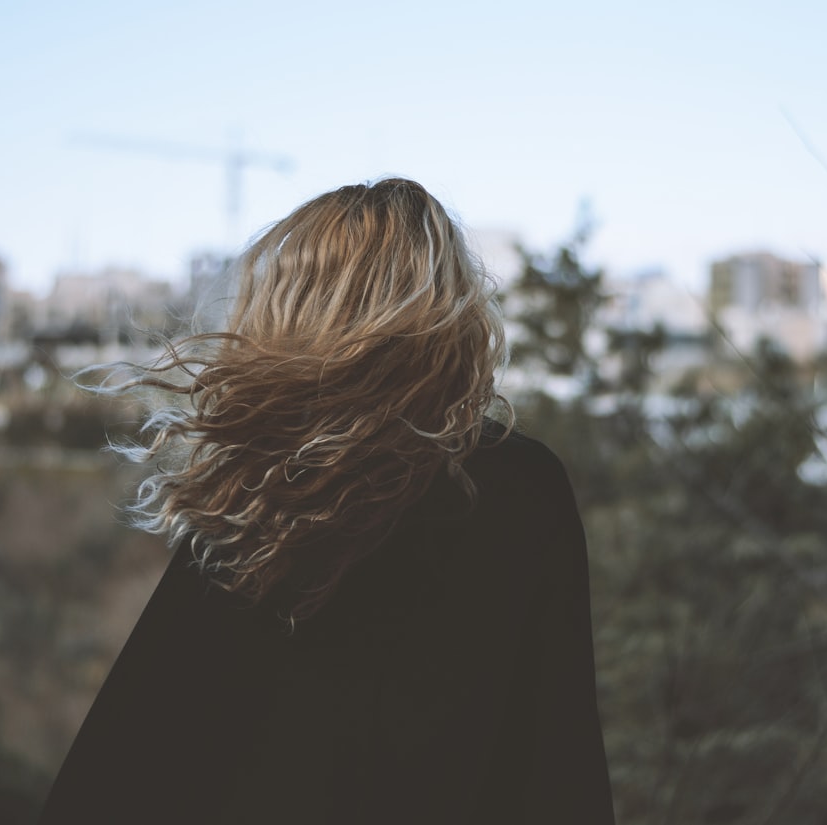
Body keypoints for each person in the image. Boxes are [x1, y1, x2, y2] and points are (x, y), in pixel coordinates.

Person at [39, 178, 614, 824]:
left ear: (293, 313)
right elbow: (560, 766)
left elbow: (123, 765)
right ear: (455, 315)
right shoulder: (522, 488)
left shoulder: (257, 497)